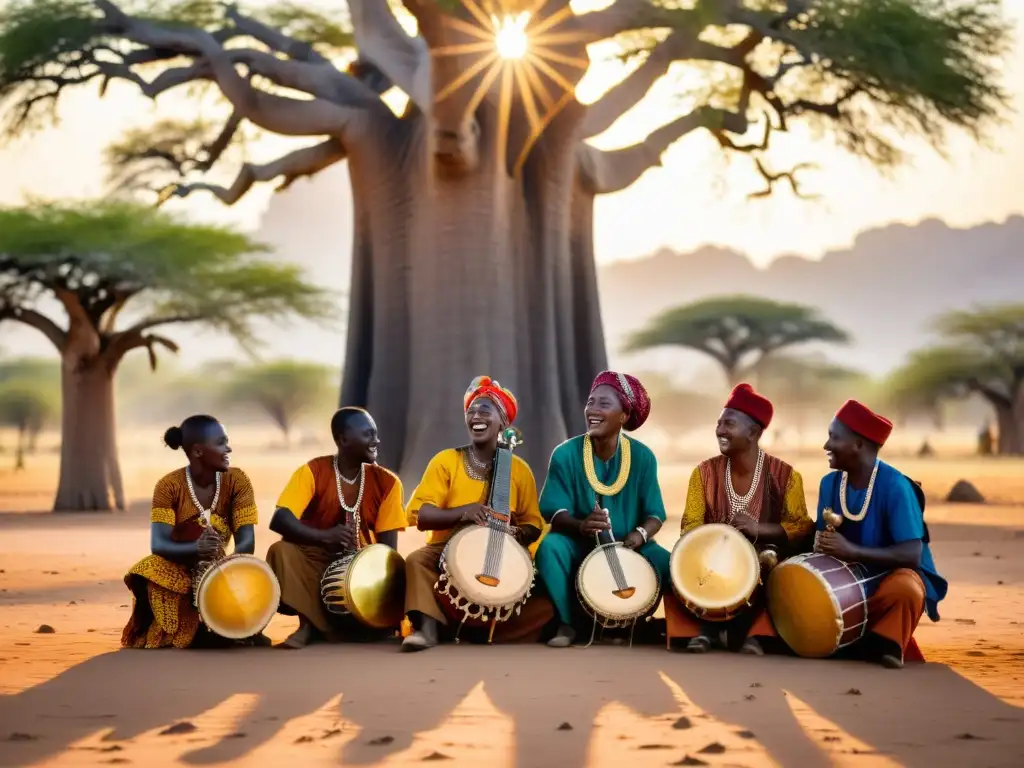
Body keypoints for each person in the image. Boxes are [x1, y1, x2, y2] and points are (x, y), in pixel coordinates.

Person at [402, 376, 553, 651]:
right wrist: (464, 513)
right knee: (415, 562)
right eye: (471, 411)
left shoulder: (519, 470)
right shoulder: (446, 461)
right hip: (444, 551)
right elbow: (421, 515)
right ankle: (428, 629)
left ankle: (484, 628)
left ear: (502, 423)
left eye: (485, 411)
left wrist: (516, 533)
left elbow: (533, 523)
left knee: (544, 597)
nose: (476, 416)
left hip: (501, 552)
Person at [663, 383, 814, 655]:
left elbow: (802, 526)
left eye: (729, 424)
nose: (720, 430)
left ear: (753, 432)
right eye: (719, 423)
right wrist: (718, 542)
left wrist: (759, 530)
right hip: (711, 559)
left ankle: (756, 635)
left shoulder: (786, 476)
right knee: (676, 563)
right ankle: (702, 632)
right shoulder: (704, 473)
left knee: (772, 565)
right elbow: (691, 526)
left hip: (766, 560)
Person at [536, 370, 671, 648]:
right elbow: (554, 512)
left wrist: (640, 536)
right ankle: (567, 624)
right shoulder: (565, 453)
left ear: (623, 416)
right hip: (579, 543)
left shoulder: (643, 457)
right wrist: (580, 525)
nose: (593, 410)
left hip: (631, 545)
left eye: (603, 404)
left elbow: (656, 515)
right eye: (590, 402)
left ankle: (668, 626)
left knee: (668, 562)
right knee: (551, 548)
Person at [815, 399, 948, 668]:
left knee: (906, 588)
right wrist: (819, 543)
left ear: (859, 445)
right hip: (844, 588)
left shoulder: (896, 487)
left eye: (833, 437)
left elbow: (912, 555)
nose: (826, 446)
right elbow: (821, 539)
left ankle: (885, 643)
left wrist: (852, 551)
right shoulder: (829, 484)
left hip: (887, 586)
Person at [266, 407, 407, 648]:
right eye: (368, 434)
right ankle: (308, 625)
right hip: (314, 561)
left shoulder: (387, 482)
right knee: (281, 551)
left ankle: (372, 623)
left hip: (360, 564)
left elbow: (388, 550)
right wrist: (324, 537)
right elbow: (280, 519)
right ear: (343, 439)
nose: (376, 441)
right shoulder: (313, 471)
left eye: (376, 434)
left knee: (402, 568)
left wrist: (372, 577)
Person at [121, 415, 263, 649]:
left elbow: (246, 542)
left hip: (223, 567)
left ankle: (225, 625)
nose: (228, 448)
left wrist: (226, 572)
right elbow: (159, 545)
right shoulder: (169, 486)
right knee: (147, 569)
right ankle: (202, 630)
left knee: (255, 577)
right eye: (220, 443)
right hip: (177, 570)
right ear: (198, 451)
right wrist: (195, 549)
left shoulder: (238, 481)